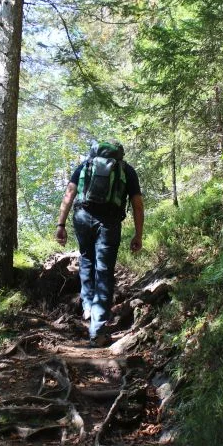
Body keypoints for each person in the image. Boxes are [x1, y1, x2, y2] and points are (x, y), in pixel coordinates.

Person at [55, 141, 144, 346]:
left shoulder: (85, 166)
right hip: (109, 221)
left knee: (86, 259)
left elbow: (69, 195)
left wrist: (61, 225)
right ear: (120, 154)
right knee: (104, 270)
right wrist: (138, 235)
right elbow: (137, 205)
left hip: (82, 217)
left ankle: (87, 306)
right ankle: (97, 330)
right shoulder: (126, 170)